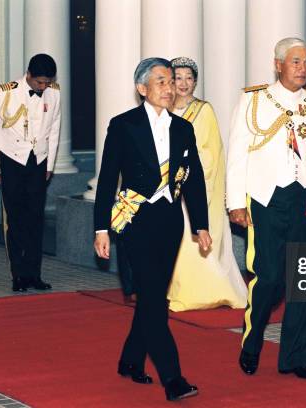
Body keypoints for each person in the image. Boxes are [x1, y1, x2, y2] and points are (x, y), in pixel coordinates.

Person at [93, 57, 211, 402]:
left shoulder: (183, 128)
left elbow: (194, 180)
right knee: (154, 300)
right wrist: (101, 227)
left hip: (170, 222)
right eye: (160, 81)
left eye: (171, 81)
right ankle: (173, 378)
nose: (169, 88)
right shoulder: (123, 125)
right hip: (134, 220)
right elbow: (106, 180)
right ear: (142, 88)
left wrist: (200, 223)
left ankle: (130, 361)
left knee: (151, 295)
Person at [227, 38, 306, 379]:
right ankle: (252, 342)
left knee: (303, 281)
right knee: (270, 276)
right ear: (278, 65)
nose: (302, 68)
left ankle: (295, 359)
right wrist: (235, 202)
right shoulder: (254, 100)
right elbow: (237, 154)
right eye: (295, 62)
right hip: (266, 198)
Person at [167, 56, 247, 311]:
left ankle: (203, 292)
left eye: (188, 78)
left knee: (193, 238)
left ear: (195, 82)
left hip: (194, 184)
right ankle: (175, 288)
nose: (183, 83)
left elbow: (212, 151)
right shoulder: (163, 108)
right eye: (178, 78)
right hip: (165, 185)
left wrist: (189, 176)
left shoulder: (203, 110)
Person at [0, 54, 60, 292]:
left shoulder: (54, 93)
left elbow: (55, 129)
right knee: (16, 219)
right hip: (12, 159)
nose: (43, 87)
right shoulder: (6, 92)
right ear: (28, 74)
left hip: (38, 160)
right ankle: (18, 275)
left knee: (36, 219)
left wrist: (50, 165)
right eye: (39, 82)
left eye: (47, 82)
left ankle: (34, 274)